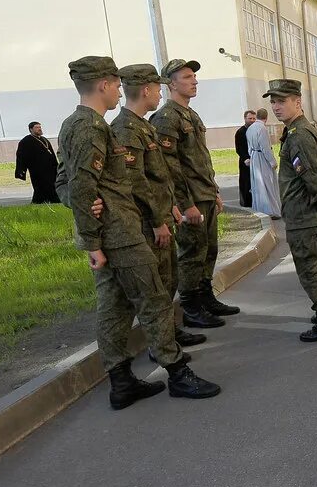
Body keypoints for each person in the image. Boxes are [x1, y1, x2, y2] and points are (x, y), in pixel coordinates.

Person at [56, 56, 220, 408]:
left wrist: (87, 204)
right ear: (102, 84)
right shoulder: (90, 127)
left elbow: (67, 184)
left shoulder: (78, 124)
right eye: (115, 84)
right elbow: (83, 184)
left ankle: (121, 382)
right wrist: (92, 238)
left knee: (115, 307)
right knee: (155, 300)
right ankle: (176, 373)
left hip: (114, 229)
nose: (119, 90)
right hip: (121, 232)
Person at [112, 63, 206, 351]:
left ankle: (171, 334)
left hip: (162, 214)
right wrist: (156, 219)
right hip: (147, 222)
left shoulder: (141, 125)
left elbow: (159, 175)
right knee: (156, 288)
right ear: (146, 89)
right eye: (156, 85)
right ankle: (163, 347)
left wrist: (171, 208)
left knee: (168, 281)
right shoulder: (127, 129)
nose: (159, 90)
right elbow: (137, 183)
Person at [151, 59, 239, 329]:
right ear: (171, 83)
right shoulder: (166, 118)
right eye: (188, 77)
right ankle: (190, 306)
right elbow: (169, 167)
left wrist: (214, 192)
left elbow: (200, 160)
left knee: (208, 249)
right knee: (191, 253)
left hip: (204, 195)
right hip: (190, 200)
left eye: (194, 76)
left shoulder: (191, 114)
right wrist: (184, 204)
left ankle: (205, 297)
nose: (194, 81)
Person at [267, 79, 317, 342]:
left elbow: (314, 176)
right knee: (316, 263)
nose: (275, 107)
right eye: (273, 102)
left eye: (281, 101)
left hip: (304, 213)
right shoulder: (300, 130)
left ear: (297, 102)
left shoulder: (299, 135)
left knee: (308, 267)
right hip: (309, 210)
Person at [247, 108, 281, 218]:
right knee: (268, 184)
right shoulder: (262, 129)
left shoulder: (250, 128)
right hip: (262, 158)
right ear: (266, 118)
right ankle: (271, 210)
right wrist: (272, 162)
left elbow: (249, 147)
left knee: (258, 184)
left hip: (254, 157)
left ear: (257, 116)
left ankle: (260, 208)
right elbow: (265, 147)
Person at [15, 121, 60, 204]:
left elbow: (52, 154)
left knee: (52, 184)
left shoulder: (44, 139)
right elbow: (21, 156)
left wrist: (56, 166)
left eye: (40, 127)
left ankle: (52, 200)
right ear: (31, 129)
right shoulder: (26, 141)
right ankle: (39, 201)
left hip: (50, 169)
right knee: (41, 186)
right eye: (37, 127)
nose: (39, 129)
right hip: (37, 170)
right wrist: (21, 170)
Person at [234, 110, 255, 207]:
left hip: (255, 159)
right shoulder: (240, 132)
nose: (252, 120)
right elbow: (239, 148)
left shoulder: (255, 130)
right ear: (245, 119)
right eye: (250, 118)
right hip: (245, 160)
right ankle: (246, 202)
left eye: (254, 118)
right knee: (246, 181)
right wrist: (245, 158)